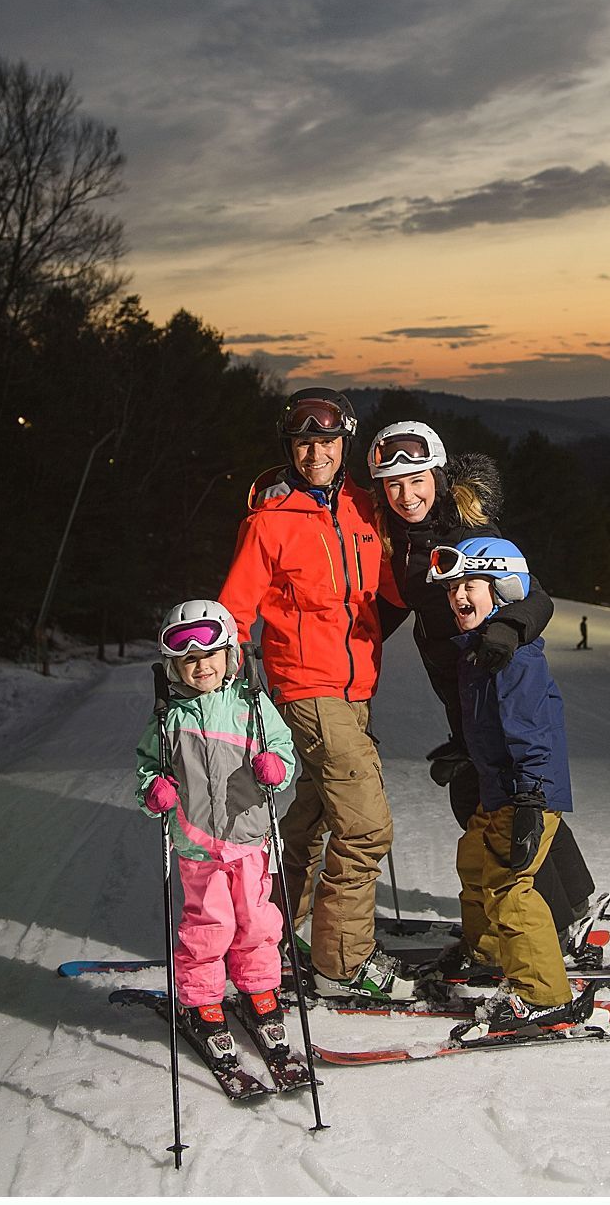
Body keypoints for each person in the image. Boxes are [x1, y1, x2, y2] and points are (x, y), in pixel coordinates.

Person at [368, 421, 598, 950]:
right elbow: (386, 613)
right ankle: (577, 899)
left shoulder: (469, 531)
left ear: (439, 474)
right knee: (496, 802)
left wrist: (504, 632)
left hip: (496, 681)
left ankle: (551, 925)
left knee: (504, 807)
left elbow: (536, 597)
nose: (407, 495)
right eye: (394, 485)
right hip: (461, 694)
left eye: (418, 479)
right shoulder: (398, 545)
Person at [218, 388, 416, 1002]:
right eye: (304, 442)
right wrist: (207, 672)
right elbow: (235, 610)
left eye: (326, 441)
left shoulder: (363, 506)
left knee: (312, 818)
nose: (316, 453)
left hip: (356, 691)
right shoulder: (269, 522)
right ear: (291, 448)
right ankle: (342, 962)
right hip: (305, 688)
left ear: (344, 443)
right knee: (364, 828)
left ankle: (270, 932)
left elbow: (395, 590)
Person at [426, 537, 580, 1035]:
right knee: (474, 862)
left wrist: (532, 800)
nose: (458, 597)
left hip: (524, 793)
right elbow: (493, 725)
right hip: (498, 790)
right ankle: (488, 954)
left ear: (504, 591)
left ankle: (545, 996)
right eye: (453, 588)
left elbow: (531, 733)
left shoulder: (515, 661)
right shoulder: (480, 653)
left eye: (471, 584)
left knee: (510, 888)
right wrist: (464, 751)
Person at [135, 599, 296, 1061]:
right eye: (187, 659)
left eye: (209, 655)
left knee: (258, 923)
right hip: (197, 845)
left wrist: (275, 768)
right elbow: (147, 768)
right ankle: (201, 1000)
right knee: (210, 927)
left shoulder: (251, 703)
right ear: (173, 666)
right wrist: (155, 793)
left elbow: (282, 752)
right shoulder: (168, 717)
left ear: (230, 656)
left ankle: (260, 990)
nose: (199, 666)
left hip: (248, 838)